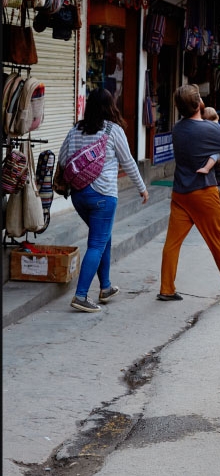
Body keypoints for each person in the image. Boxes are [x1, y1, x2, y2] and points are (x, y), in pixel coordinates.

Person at [59, 88, 149, 313]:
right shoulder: (113, 130)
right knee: (97, 243)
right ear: (111, 106)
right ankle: (80, 296)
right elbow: (128, 162)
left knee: (103, 238)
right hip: (103, 195)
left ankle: (106, 287)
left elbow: (62, 159)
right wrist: (142, 188)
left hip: (79, 195)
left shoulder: (75, 130)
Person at [158, 84, 220, 301]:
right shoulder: (210, 129)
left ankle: (166, 288)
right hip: (204, 191)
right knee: (217, 242)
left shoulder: (178, 129)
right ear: (199, 103)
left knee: (172, 243)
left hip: (180, 193)